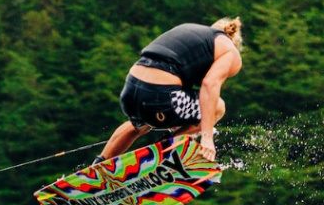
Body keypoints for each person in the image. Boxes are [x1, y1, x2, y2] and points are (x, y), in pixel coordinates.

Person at [101, 17, 243, 162]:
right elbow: (209, 84)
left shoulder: (192, 32)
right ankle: (163, 153)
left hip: (130, 94)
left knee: (139, 125)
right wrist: (207, 137)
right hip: (160, 97)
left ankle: (98, 166)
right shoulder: (230, 52)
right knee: (217, 107)